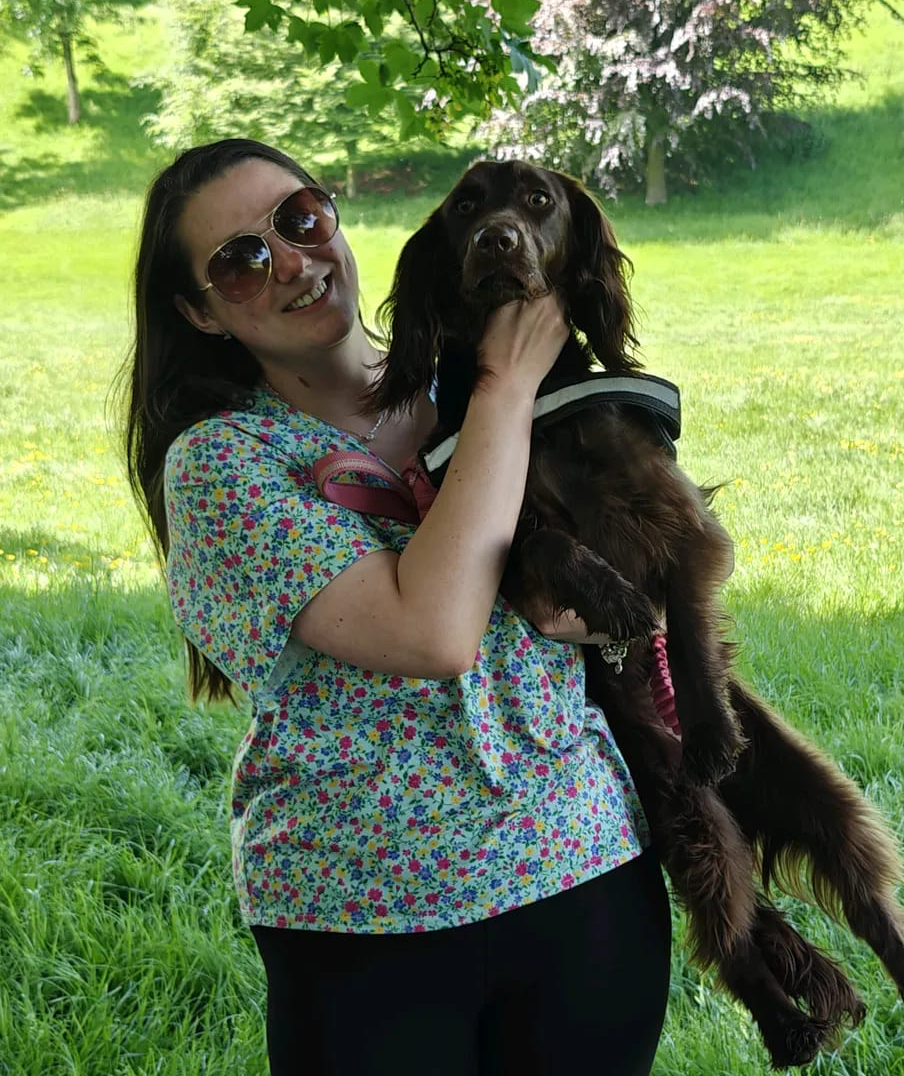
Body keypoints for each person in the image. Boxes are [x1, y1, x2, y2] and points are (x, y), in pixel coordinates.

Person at [123, 138, 671, 1076]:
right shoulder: (224, 467)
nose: (294, 262)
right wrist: (507, 389)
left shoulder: (469, 377)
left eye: (301, 220)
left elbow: (649, 557)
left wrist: (627, 604)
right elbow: (433, 631)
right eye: (242, 261)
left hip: (582, 871)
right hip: (368, 915)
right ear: (199, 311)